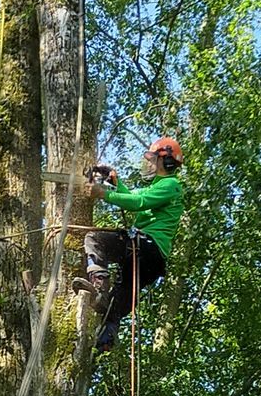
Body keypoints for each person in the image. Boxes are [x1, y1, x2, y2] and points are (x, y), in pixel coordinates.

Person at [78, 136, 184, 335]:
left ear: (166, 160)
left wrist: (103, 194)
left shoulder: (171, 185)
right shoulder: (157, 187)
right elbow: (135, 198)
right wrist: (115, 182)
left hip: (146, 248)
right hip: (150, 261)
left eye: (153, 159)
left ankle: (99, 285)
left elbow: (139, 203)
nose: (150, 163)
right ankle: (105, 338)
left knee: (95, 239)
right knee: (113, 308)